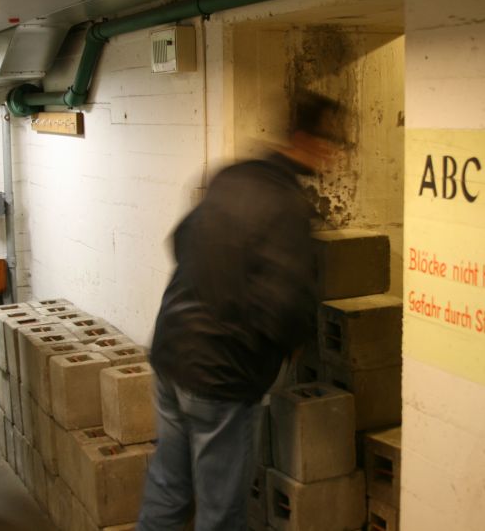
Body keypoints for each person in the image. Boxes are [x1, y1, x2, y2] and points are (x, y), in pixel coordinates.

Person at [137, 91, 345, 531]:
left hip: (172, 354)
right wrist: (291, 345)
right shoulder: (289, 208)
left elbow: (180, 242)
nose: (332, 157)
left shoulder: (229, 177)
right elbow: (285, 304)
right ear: (303, 139)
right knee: (221, 512)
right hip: (222, 377)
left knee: (169, 487)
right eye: (328, 145)